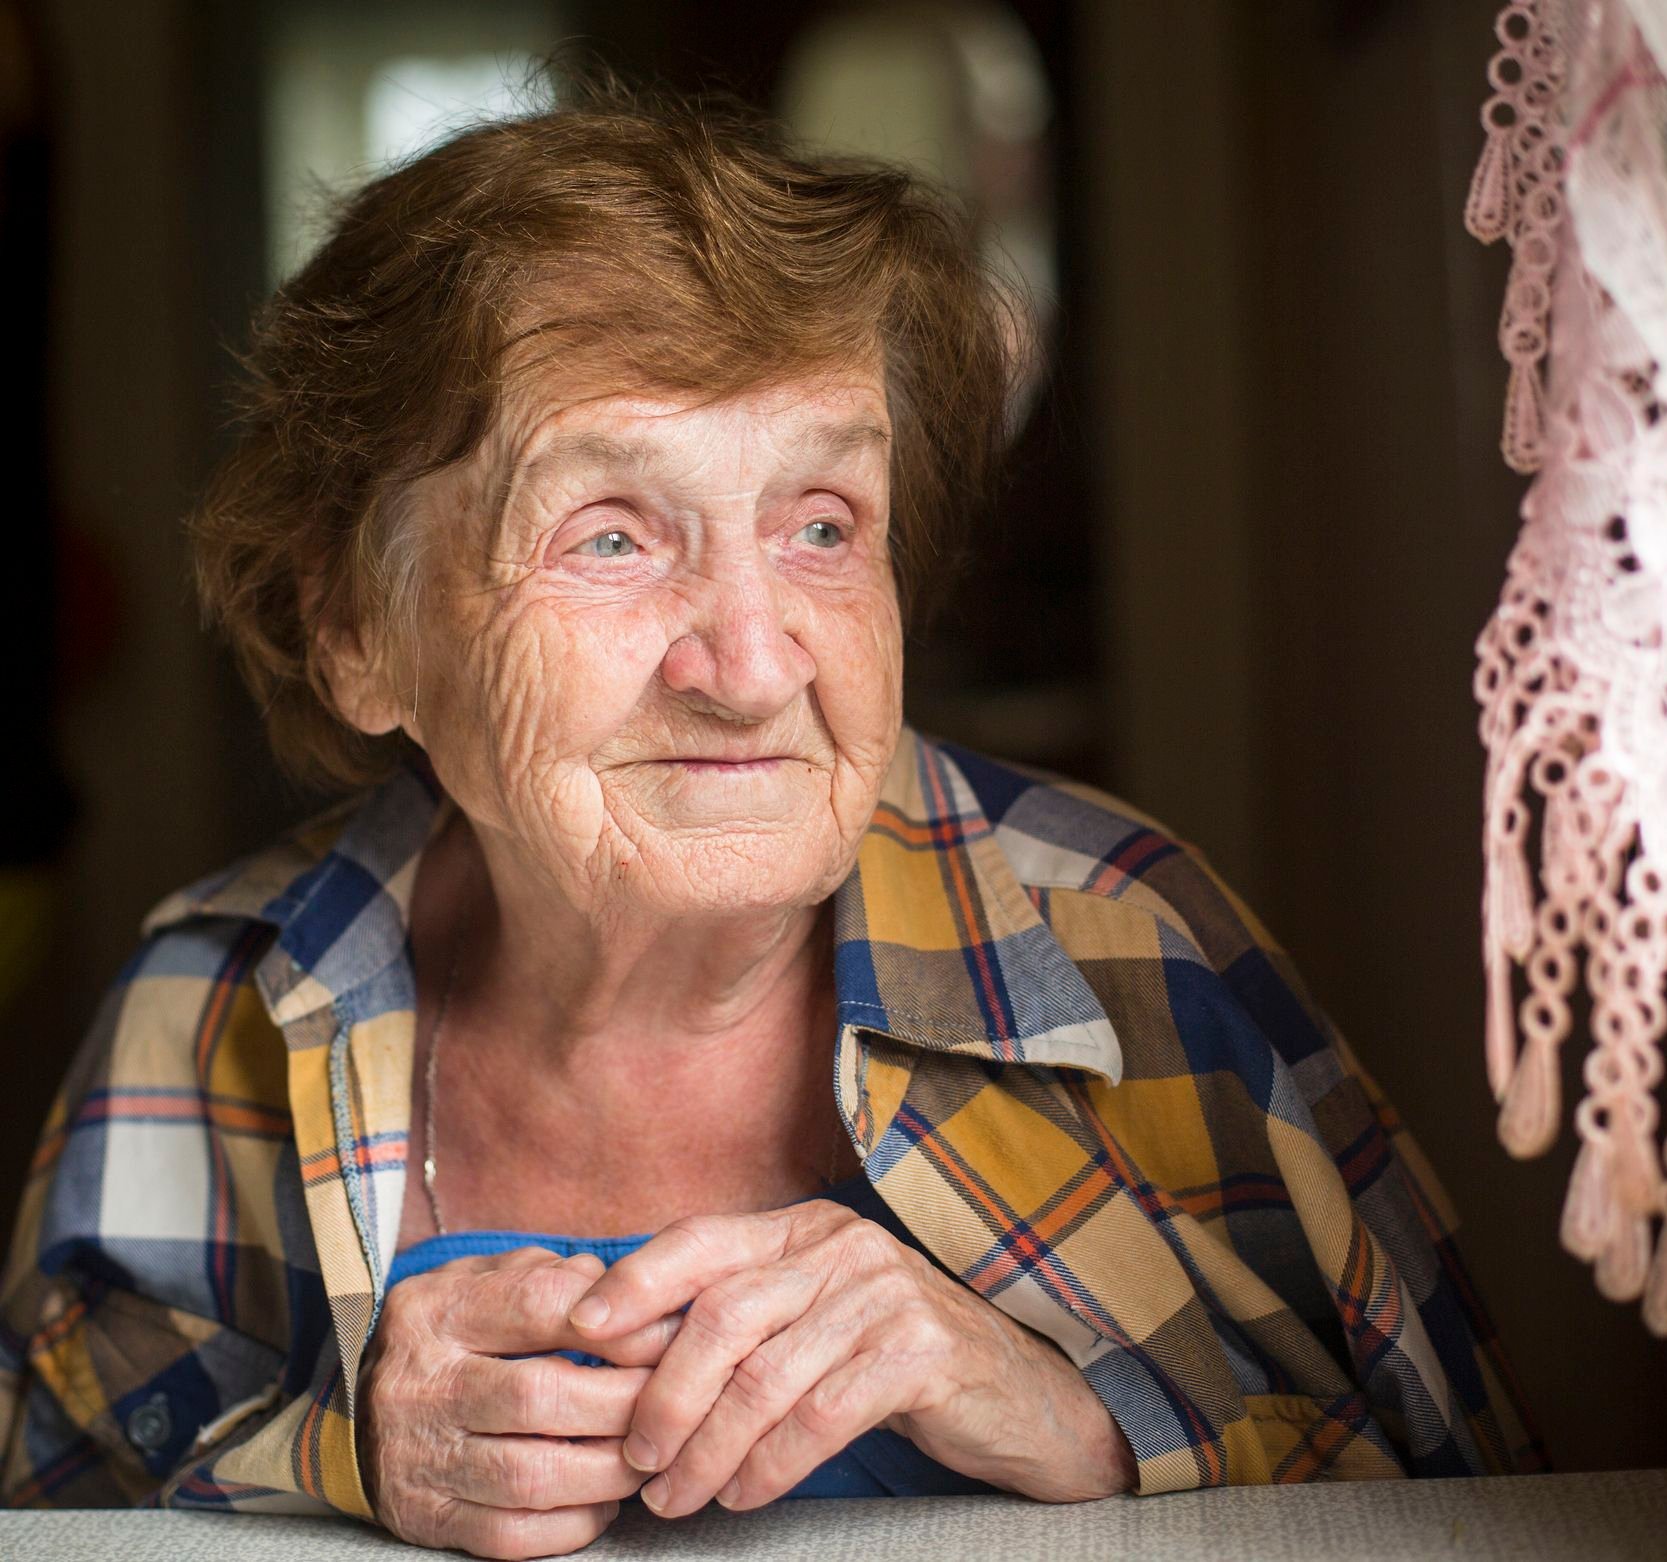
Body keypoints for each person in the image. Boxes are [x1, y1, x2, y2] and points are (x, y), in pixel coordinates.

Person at [0, 89, 1535, 1558]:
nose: (750, 666)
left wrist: (1088, 1419)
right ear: (356, 628)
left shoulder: (1132, 950)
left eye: (820, 524)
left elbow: (1507, 1507)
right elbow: (50, 1508)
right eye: (611, 535)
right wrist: (336, 1450)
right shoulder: (215, 1016)